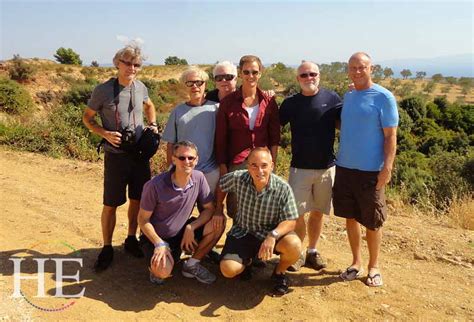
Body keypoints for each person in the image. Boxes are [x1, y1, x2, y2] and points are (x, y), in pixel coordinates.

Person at [83, 45, 158, 272]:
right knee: (111, 204)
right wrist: (104, 133)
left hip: (139, 155)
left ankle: (131, 238)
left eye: (136, 64)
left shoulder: (141, 87)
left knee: (138, 199)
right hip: (115, 156)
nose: (132, 68)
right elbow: (87, 118)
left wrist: (152, 125)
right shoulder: (103, 90)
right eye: (127, 63)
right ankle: (107, 247)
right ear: (117, 63)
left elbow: (149, 105)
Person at [334, 52, 398, 287]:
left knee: (372, 222)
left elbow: (391, 136)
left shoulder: (384, 97)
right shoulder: (349, 95)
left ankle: (374, 267)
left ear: (372, 68)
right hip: (344, 168)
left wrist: (387, 168)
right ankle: (355, 262)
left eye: (362, 67)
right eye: (353, 67)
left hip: (371, 171)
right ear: (348, 70)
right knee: (350, 218)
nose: (357, 71)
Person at [279, 61, 342, 272]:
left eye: (312, 74)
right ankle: (296, 253)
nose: (309, 78)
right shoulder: (290, 104)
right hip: (299, 168)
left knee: (317, 212)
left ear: (319, 76)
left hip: (326, 168)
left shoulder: (332, 99)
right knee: (297, 215)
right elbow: (272, 126)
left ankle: (312, 252)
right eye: (304, 75)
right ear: (298, 79)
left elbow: (346, 123)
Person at [214, 147, 302, 296]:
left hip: (269, 234)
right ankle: (248, 261)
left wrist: (273, 235)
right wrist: (218, 209)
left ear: (272, 166)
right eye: (254, 165)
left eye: (264, 165)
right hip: (243, 232)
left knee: (294, 245)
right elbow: (222, 185)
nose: (259, 170)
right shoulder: (238, 177)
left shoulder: (282, 188)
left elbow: (291, 220)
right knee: (228, 270)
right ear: (247, 166)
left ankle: (279, 273)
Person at [138, 141, 225, 284]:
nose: (187, 161)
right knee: (162, 272)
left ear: (196, 160)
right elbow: (142, 220)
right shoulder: (154, 185)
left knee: (219, 222)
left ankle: (191, 265)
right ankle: (162, 263)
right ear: (173, 159)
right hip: (156, 238)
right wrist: (159, 243)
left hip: (182, 232)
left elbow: (209, 208)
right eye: (182, 158)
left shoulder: (198, 178)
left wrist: (192, 227)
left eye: (191, 158)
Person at [215, 55, 280, 219]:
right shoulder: (228, 103)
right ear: (240, 73)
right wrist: (223, 166)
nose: (250, 76)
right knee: (237, 207)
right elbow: (221, 138)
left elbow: (274, 136)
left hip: (263, 161)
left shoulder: (268, 101)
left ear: (260, 73)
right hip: (237, 161)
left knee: (263, 205)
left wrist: (273, 161)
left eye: (254, 72)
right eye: (246, 72)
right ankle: (238, 239)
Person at [162, 66, 220, 194]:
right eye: (190, 83)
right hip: (184, 169)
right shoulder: (178, 111)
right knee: (180, 208)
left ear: (205, 84)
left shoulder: (216, 109)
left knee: (209, 208)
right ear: (185, 86)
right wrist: (171, 167)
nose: (195, 86)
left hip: (210, 171)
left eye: (199, 82)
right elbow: (171, 143)